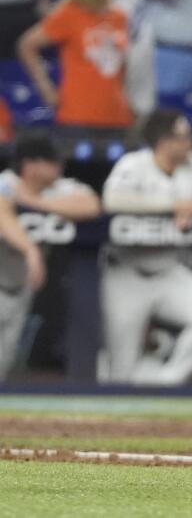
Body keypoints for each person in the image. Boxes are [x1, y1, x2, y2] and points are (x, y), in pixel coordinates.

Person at [100, 109, 192, 385]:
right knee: (120, 372)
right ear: (164, 141)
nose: (190, 143)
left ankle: (166, 382)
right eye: (183, 137)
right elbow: (113, 200)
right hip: (126, 273)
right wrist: (172, 205)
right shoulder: (134, 164)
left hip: (168, 271)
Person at [0, 132, 101, 379]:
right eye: (51, 161)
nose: (59, 165)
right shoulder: (6, 182)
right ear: (31, 165)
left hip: (19, 288)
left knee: (4, 360)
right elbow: (2, 216)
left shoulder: (56, 188)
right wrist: (31, 250)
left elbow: (91, 205)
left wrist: (34, 202)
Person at [17, 0, 133, 130]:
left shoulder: (119, 17)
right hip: (78, 114)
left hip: (117, 115)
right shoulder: (70, 13)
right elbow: (27, 45)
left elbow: (122, 67)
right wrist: (46, 88)